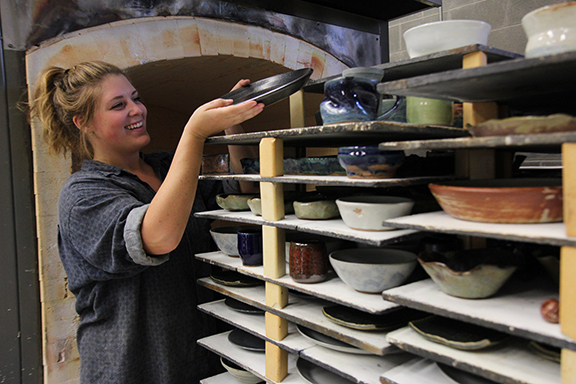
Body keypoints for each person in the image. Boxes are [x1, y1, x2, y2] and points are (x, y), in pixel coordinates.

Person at [28, 61, 264, 383]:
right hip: (132, 368)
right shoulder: (82, 194)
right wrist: (193, 134)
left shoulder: (168, 166)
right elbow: (156, 238)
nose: (137, 110)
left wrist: (233, 122)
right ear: (84, 122)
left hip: (200, 357)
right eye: (118, 105)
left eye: (135, 98)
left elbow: (245, 191)